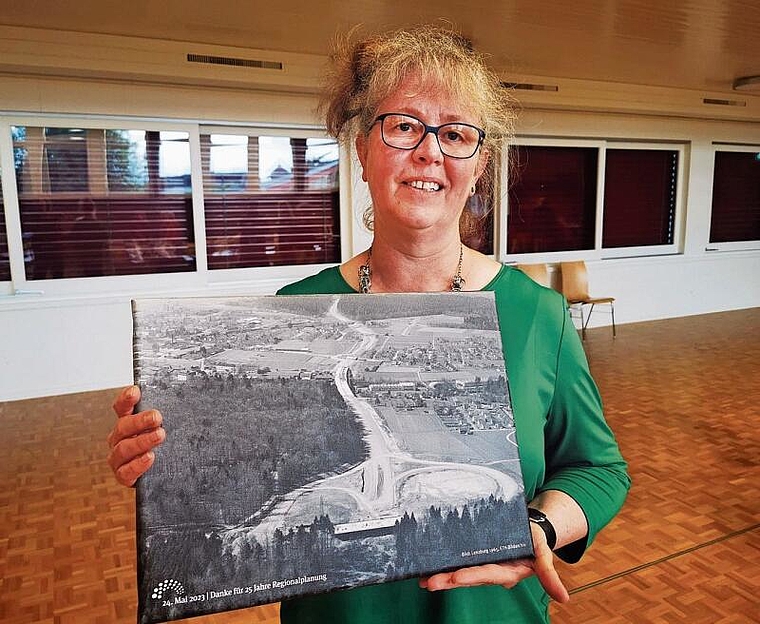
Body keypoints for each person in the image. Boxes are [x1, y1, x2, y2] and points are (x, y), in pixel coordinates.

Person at [108, 25, 630, 624]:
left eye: (456, 134)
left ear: (479, 165)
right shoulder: (295, 311)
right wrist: (166, 464)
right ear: (362, 149)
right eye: (404, 125)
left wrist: (539, 525)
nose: (430, 152)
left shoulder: (536, 314)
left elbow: (598, 468)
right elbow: (253, 488)